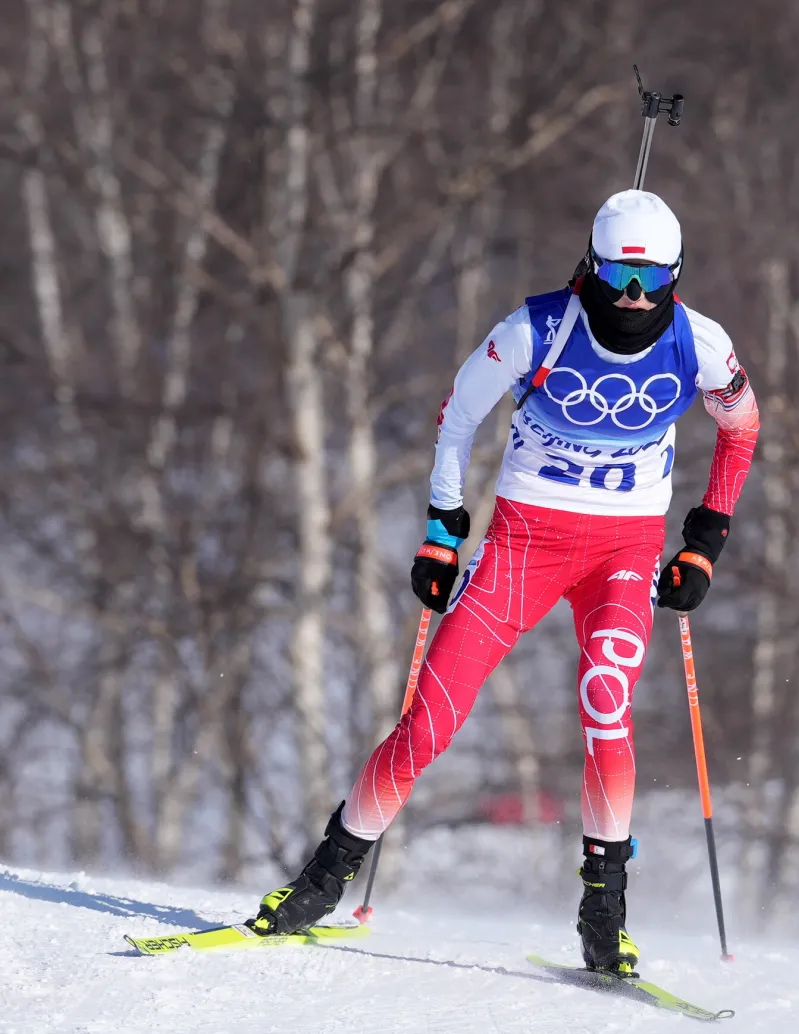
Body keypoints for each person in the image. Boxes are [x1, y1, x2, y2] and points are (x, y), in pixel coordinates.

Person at [248, 189, 760, 976]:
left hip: (622, 550)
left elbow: (741, 428)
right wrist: (441, 529)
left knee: (605, 707)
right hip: (525, 542)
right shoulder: (536, 329)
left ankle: (603, 912)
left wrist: (704, 540)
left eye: (651, 283)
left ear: (675, 276)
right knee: (428, 724)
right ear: (590, 265)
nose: (633, 299)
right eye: (620, 280)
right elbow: (458, 418)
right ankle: (321, 879)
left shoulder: (703, 344)